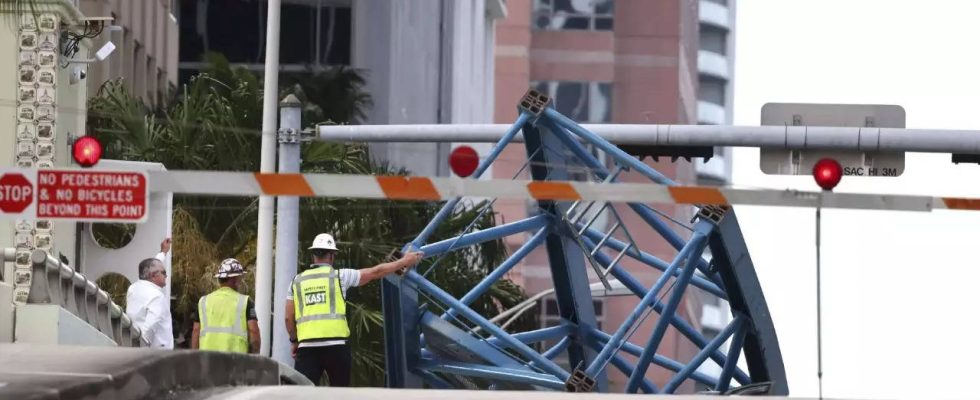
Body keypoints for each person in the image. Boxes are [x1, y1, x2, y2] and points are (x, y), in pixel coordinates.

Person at [285, 233, 423, 386]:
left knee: (302, 395)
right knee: (341, 394)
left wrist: (294, 340)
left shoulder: (296, 282)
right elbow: (375, 272)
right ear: (332, 256)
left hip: (307, 349)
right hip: (336, 348)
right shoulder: (340, 276)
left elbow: (288, 318)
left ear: (313, 256)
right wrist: (404, 261)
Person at [190, 258, 260, 353]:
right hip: (236, 361)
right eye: (240, 278)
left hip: (208, 360)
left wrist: (196, 357)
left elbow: (196, 331)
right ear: (235, 279)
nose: (241, 281)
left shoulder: (203, 301)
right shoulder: (245, 302)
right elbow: (254, 332)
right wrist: (254, 357)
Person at [126, 238, 174, 349]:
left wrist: (163, 253)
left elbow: (151, 266)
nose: (166, 276)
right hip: (155, 353)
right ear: (153, 276)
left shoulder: (133, 288)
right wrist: (142, 348)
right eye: (164, 273)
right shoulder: (156, 296)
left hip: (134, 344)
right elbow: (150, 326)